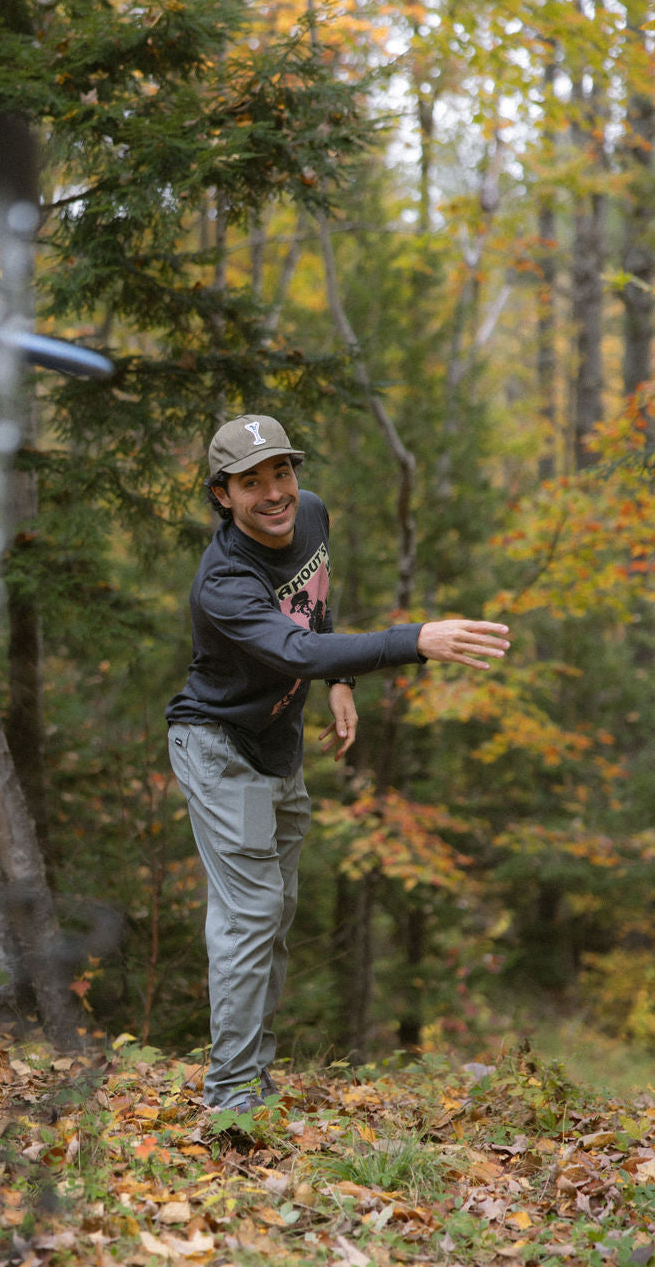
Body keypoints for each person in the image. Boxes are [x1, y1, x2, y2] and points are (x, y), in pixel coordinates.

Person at [165, 414, 510, 1114]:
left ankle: (252, 1074)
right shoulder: (224, 581)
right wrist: (413, 639)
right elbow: (292, 652)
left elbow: (315, 599)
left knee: (277, 911)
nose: (274, 492)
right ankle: (231, 1100)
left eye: (282, 472)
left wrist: (341, 681)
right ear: (222, 495)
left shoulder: (312, 513)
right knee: (250, 913)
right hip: (216, 744)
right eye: (251, 481)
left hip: (277, 744)